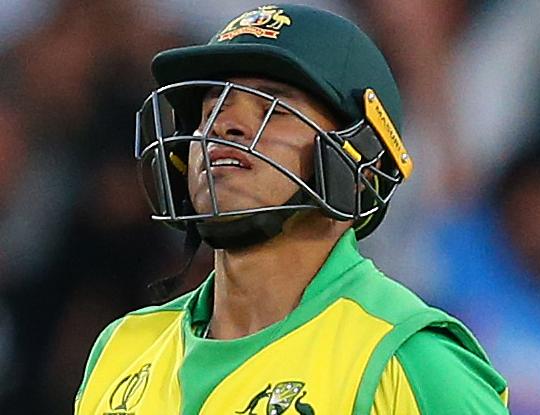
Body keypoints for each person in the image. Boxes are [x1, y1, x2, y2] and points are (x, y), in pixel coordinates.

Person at [74, 5, 509, 414]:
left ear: (361, 163)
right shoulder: (122, 348)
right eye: (212, 109)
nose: (224, 126)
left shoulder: (406, 356)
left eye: (273, 108)